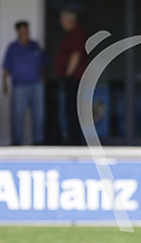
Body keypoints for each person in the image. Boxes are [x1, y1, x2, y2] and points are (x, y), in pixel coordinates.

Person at [2, 21, 47, 145]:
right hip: (19, 86)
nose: (25, 33)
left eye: (26, 30)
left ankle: (38, 140)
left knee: (39, 113)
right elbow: (5, 68)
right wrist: (5, 84)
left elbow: (43, 63)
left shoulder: (35, 46)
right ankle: (16, 141)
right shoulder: (12, 47)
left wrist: (42, 77)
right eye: (22, 31)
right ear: (18, 32)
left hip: (37, 85)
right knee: (18, 115)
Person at [55, 7, 87, 145]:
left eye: (62, 19)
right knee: (70, 109)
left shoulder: (76, 33)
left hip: (74, 78)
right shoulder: (70, 34)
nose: (60, 22)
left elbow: (76, 55)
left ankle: (75, 140)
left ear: (70, 20)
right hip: (73, 77)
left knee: (73, 109)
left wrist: (67, 75)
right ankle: (73, 137)